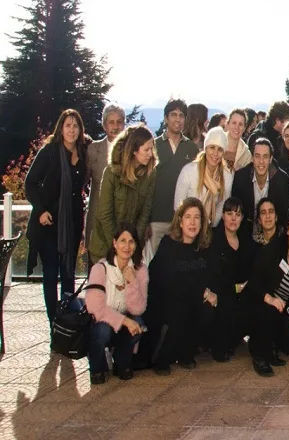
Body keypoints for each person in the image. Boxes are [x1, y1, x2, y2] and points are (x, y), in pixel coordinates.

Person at [25, 109, 89, 324]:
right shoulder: (50, 152)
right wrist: (41, 210)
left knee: (69, 275)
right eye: (68, 125)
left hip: (71, 223)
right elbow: (30, 183)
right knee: (51, 276)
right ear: (61, 128)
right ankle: (53, 321)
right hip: (48, 224)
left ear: (80, 129)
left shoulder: (83, 152)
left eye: (75, 125)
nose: (71, 130)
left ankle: (67, 321)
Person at [242, 208, 289, 376]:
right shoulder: (274, 249)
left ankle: (274, 345)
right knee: (268, 312)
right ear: (287, 229)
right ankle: (260, 354)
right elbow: (254, 280)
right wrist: (269, 298)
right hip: (260, 300)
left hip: (284, 307)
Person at [144, 197, 212, 374]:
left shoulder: (202, 247)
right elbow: (168, 281)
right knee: (181, 310)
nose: (192, 222)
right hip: (164, 300)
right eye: (188, 217)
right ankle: (162, 359)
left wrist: (209, 293)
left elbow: (205, 277)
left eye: (197, 217)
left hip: (190, 298)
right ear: (180, 221)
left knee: (206, 309)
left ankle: (185, 352)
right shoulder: (168, 244)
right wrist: (200, 293)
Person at [85, 222, 148, 384]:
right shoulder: (100, 269)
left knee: (138, 324)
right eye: (122, 241)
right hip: (102, 320)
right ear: (114, 243)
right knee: (102, 331)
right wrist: (124, 321)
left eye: (131, 241)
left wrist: (132, 283)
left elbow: (138, 308)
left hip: (124, 321)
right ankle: (97, 368)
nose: (126, 246)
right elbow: (95, 309)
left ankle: (121, 362)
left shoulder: (140, 270)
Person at [88, 125, 158, 265]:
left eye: (152, 149)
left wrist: (132, 246)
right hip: (104, 248)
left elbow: (144, 214)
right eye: (146, 149)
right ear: (133, 151)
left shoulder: (150, 173)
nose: (150, 154)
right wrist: (118, 247)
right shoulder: (111, 172)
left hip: (130, 250)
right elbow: (105, 214)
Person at [204, 197, 253, 362]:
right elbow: (213, 276)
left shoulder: (244, 241)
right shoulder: (214, 240)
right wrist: (235, 288)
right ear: (223, 216)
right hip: (219, 294)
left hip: (238, 293)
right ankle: (218, 345)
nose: (233, 218)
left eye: (237, 214)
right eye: (229, 213)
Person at [149, 99, 200, 254]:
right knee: (154, 268)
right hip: (156, 219)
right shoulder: (153, 146)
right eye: (173, 115)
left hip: (182, 222)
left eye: (181, 115)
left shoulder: (192, 148)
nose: (177, 119)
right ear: (166, 118)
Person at [174, 127, 234, 227]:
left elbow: (221, 206)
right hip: (187, 229)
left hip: (209, 229)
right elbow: (178, 206)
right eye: (212, 147)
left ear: (224, 152)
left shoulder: (227, 176)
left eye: (220, 149)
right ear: (205, 148)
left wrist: (209, 227)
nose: (215, 153)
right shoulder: (189, 171)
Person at [84, 104, 126, 243]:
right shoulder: (93, 149)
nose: (115, 126)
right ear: (104, 125)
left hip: (124, 222)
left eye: (119, 122)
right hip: (97, 220)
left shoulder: (133, 152)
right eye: (111, 122)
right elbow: (82, 182)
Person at [233, 138, 289, 227]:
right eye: (257, 156)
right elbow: (237, 211)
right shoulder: (240, 178)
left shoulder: (282, 180)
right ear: (252, 158)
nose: (261, 161)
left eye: (265, 156)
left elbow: (282, 215)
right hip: (246, 231)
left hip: (272, 231)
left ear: (271, 159)